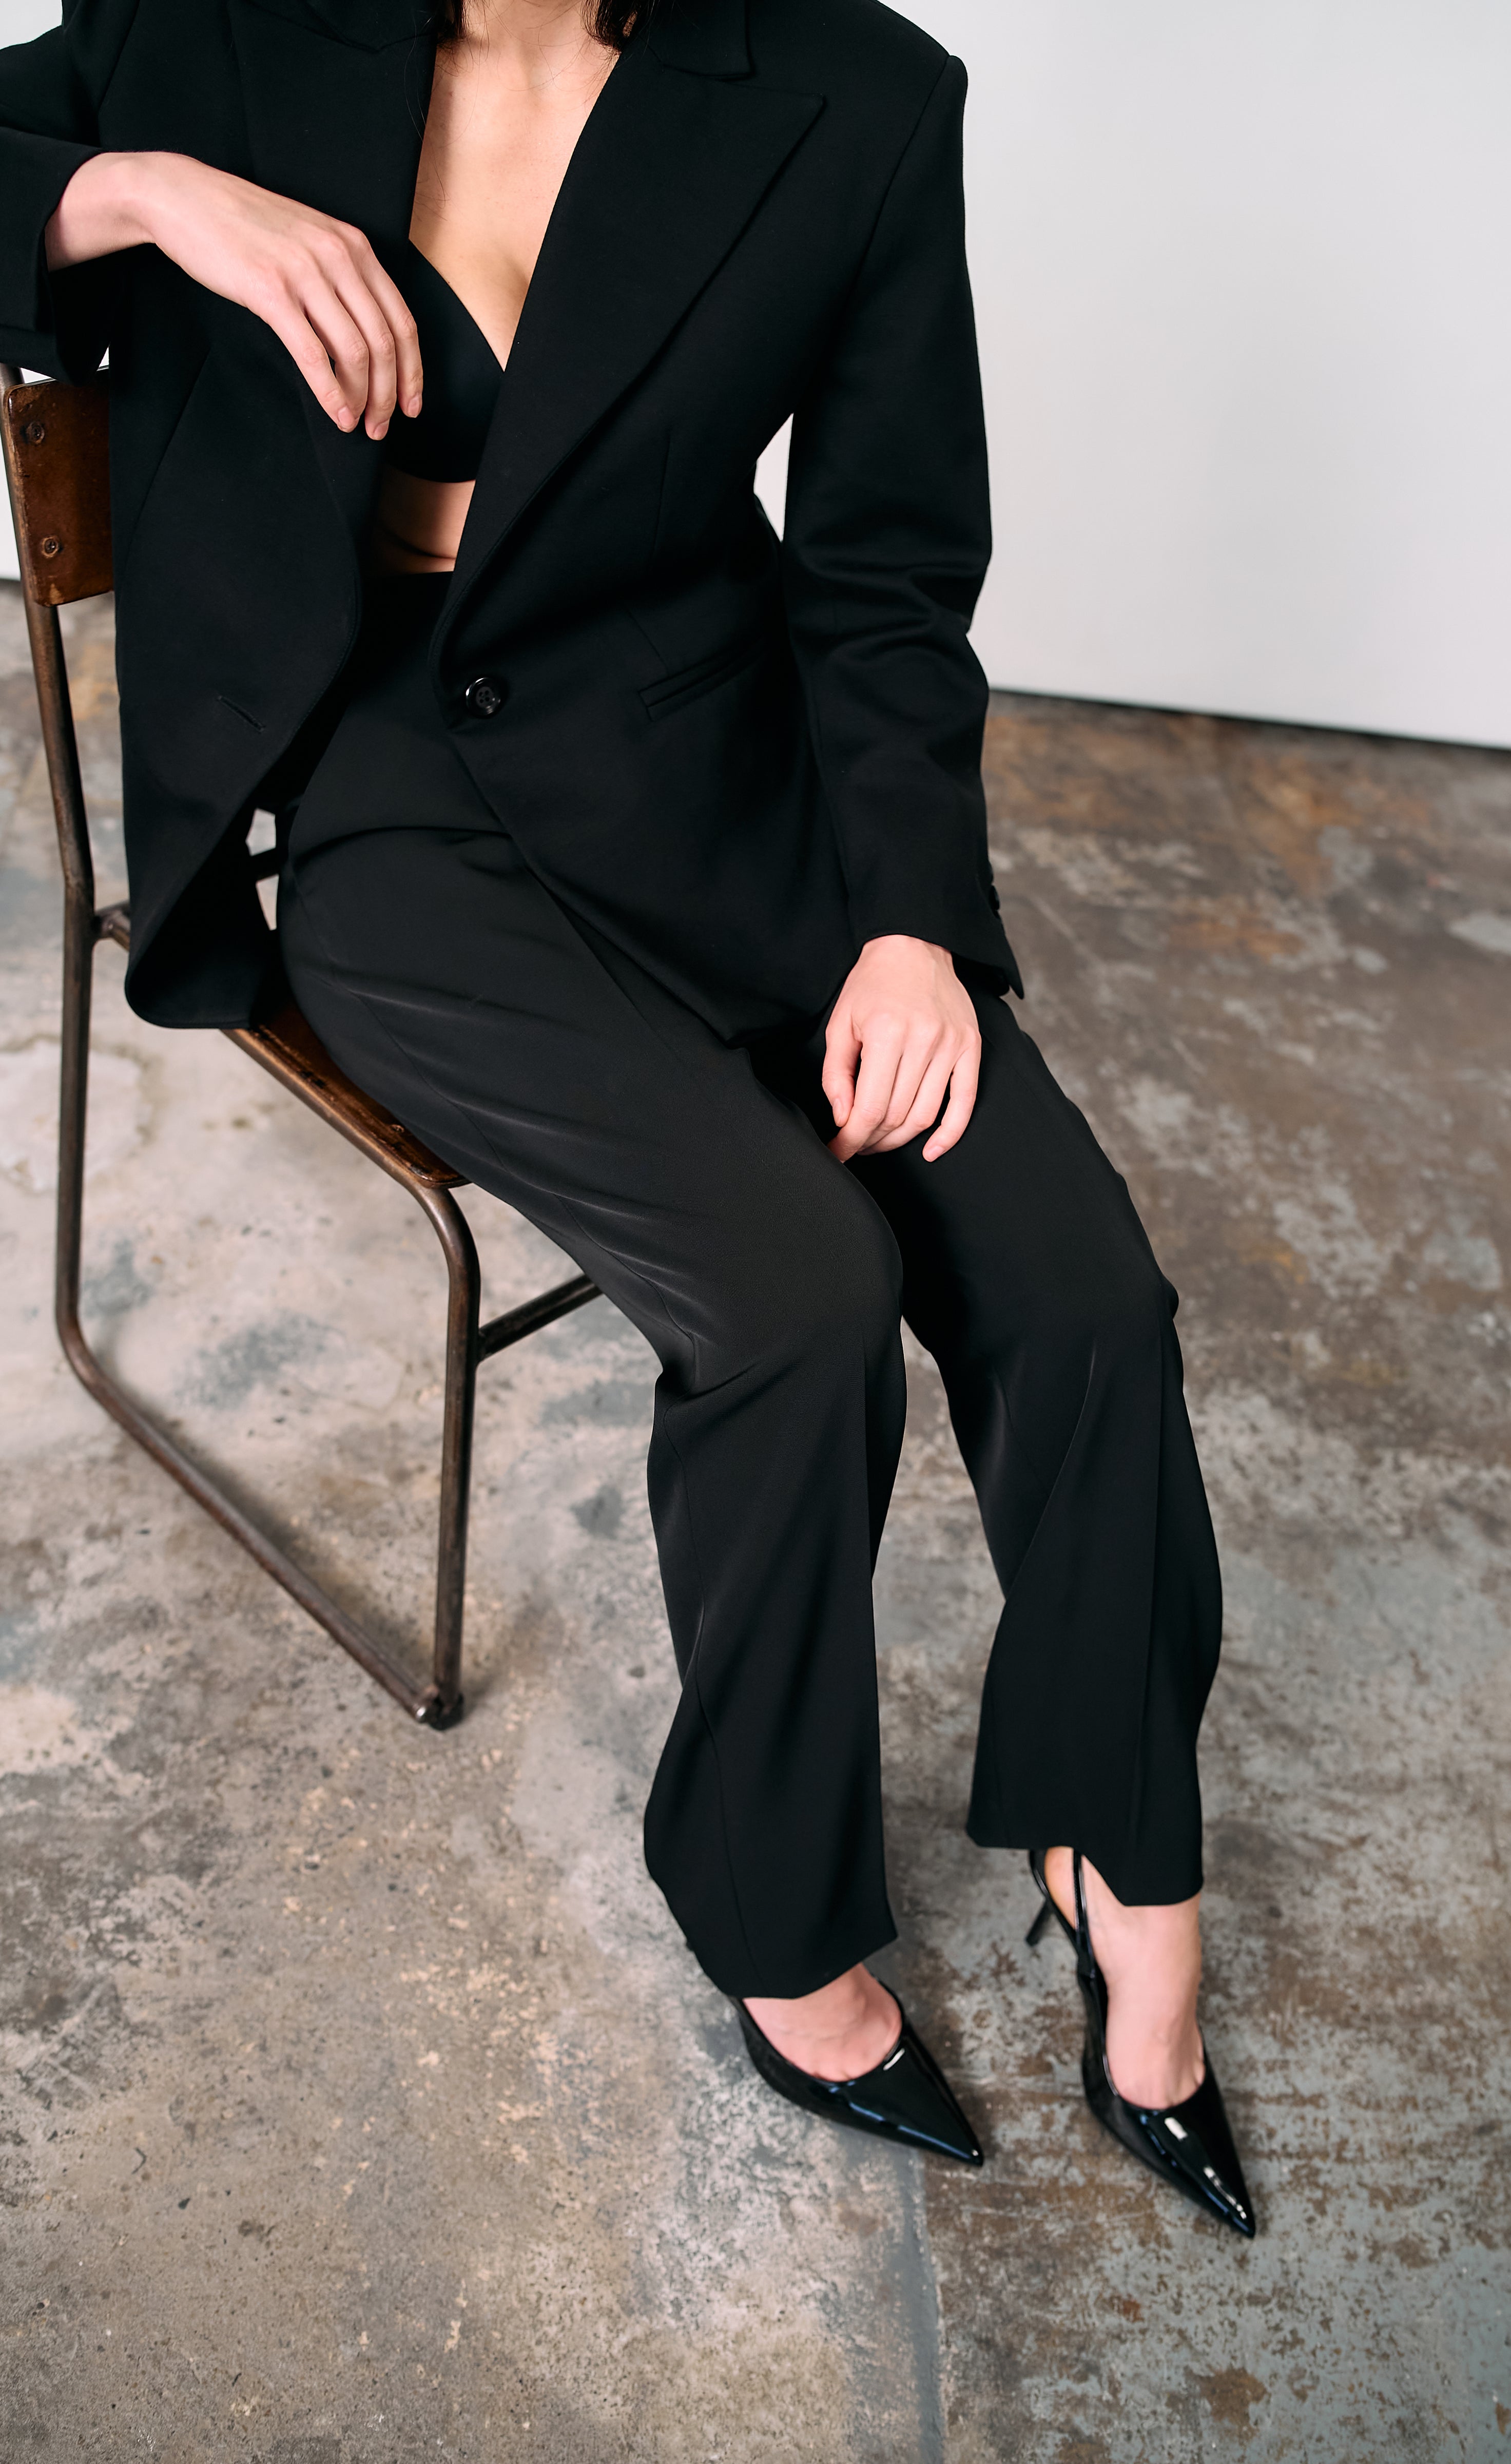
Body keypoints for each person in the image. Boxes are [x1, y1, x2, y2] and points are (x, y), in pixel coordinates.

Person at [0, 0, 1253, 2230]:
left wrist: (907, 929)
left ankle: (1119, 1855)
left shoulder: (855, 98)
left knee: (1079, 1300)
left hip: (724, 766)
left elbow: (878, 569)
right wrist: (151, 199)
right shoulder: (213, 28)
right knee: (793, 1293)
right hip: (383, 796)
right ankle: (775, 1916)